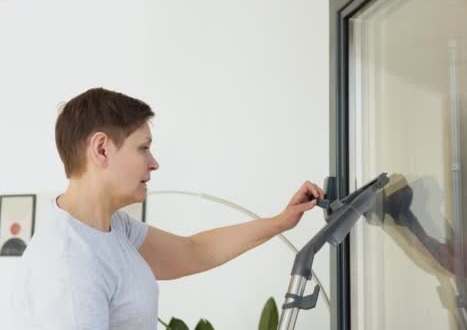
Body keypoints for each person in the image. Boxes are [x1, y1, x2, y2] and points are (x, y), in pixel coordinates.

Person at [8, 87, 324, 329]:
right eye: (143, 148)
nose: (154, 162)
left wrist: (281, 221)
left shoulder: (113, 228)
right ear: (102, 149)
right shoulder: (69, 264)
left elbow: (193, 251)